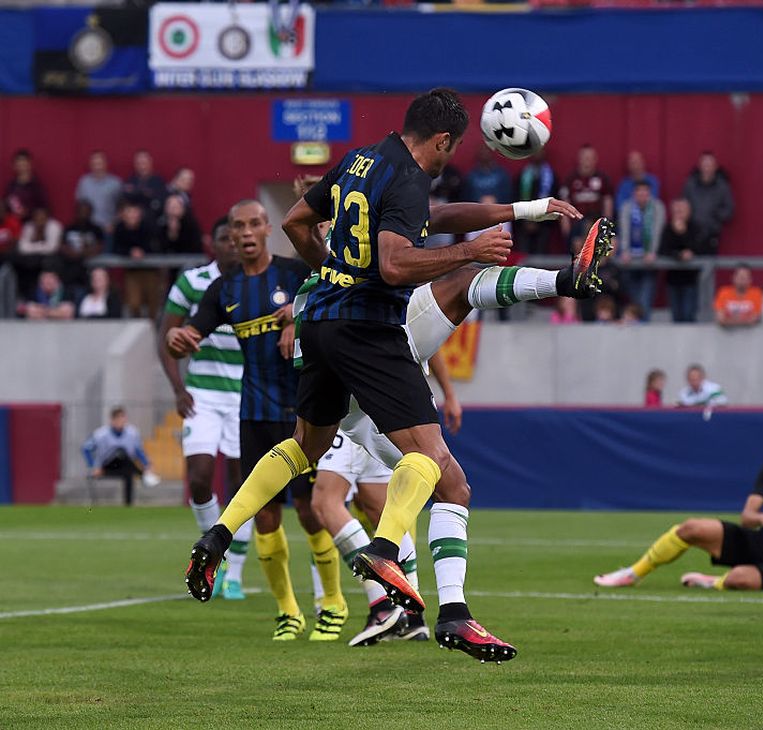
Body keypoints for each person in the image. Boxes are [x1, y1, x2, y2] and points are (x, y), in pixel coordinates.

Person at [185, 89, 612, 662]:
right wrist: (468, 249)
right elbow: (393, 262)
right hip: (369, 333)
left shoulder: (362, 161)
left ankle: (218, 534)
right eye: (452, 149)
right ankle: (387, 553)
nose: (448, 159)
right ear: (440, 140)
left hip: (323, 326)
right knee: (431, 458)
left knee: (307, 449)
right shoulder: (409, 177)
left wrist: (521, 211)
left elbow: (299, 220)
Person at [167, 200, 334, 641]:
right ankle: (288, 612)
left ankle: (331, 602)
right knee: (264, 515)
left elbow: (335, 294)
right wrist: (178, 338)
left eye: (253, 224)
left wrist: (298, 317)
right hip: (254, 412)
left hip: (303, 411)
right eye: (237, 225)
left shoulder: (295, 272)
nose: (245, 232)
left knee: (311, 510)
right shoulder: (225, 289)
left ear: (266, 229)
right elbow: (190, 333)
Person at [595, 421, 763, 592]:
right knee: (691, 528)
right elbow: (747, 517)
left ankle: (713, 582)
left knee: (739, 578)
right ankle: (634, 573)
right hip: (762, 543)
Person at [311, 352, 460, 647]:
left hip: (357, 402)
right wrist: (450, 394)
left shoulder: (349, 309)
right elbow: (431, 334)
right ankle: (412, 616)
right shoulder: (407, 308)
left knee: (324, 502)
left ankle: (382, 606)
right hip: (393, 405)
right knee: (381, 509)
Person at [159, 218, 251, 601]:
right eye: (223, 238)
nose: (231, 245)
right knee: (198, 479)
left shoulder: (257, 283)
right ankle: (214, 556)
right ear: (212, 243)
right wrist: (178, 388)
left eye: (236, 239)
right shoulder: (192, 282)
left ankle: (236, 573)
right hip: (202, 396)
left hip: (247, 395)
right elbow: (166, 335)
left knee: (242, 485)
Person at [81, 407, 160, 506]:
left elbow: (138, 451)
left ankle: (128, 505)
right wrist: (94, 467)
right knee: (120, 452)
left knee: (127, 465)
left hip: (125, 466)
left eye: (123, 418)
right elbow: (86, 448)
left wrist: (147, 464)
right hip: (106, 465)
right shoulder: (101, 434)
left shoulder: (132, 433)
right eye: (119, 418)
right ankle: (144, 476)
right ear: (113, 420)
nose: (122, 421)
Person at [617, 181, 665, 320]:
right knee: (633, 300)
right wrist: (624, 251)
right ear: (634, 194)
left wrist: (652, 252)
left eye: (645, 193)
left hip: (648, 261)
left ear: (650, 194)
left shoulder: (657, 207)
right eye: (639, 193)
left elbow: (657, 232)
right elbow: (624, 230)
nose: (642, 196)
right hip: (630, 260)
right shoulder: (627, 207)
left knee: (645, 299)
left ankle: (644, 328)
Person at [659, 198, 710, 323]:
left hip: (691, 279)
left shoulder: (696, 227)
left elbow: (700, 247)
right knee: (676, 316)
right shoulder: (668, 228)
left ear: (689, 211)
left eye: (681, 211)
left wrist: (683, 233)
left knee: (689, 315)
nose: (679, 214)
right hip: (673, 279)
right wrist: (678, 255)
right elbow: (663, 249)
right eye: (676, 211)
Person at [112, 201, 162, 320]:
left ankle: (153, 328)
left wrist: (143, 252)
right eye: (129, 212)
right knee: (134, 303)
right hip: (132, 271)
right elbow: (116, 248)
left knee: (153, 302)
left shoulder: (148, 226)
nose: (132, 215)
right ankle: (138, 329)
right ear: (123, 214)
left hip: (150, 269)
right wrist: (130, 252)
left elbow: (156, 246)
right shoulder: (120, 228)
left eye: (135, 212)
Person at [559, 144, 614, 246]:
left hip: (597, 222)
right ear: (579, 159)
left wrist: (607, 224)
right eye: (585, 158)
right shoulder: (570, 179)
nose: (587, 161)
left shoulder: (603, 178)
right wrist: (565, 227)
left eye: (590, 158)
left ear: (595, 160)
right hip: (577, 223)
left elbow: (608, 203)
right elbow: (564, 203)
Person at [682, 151, 734, 247]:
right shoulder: (690, 184)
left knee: (710, 261)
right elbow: (682, 204)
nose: (707, 168)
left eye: (710, 165)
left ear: (715, 167)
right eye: (704, 164)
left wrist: (714, 214)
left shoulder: (722, 187)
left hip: (712, 233)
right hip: (691, 232)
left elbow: (729, 210)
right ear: (699, 166)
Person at [60, 200, 104, 292]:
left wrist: (83, 253)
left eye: (86, 212)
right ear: (77, 212)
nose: (84, 214)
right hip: (70, 262)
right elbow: (62, 246)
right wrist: (74, 254)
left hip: (91, 262)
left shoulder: (96, 229)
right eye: (81, 211)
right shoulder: (69, 228)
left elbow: (100, 246)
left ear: (91, 213)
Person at [74, 151, 123, 234]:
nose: (97, 167)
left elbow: (122, 208)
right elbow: (80, 206)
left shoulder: (115, 183)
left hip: (108, 228)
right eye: (94, 164)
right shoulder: (84, 182)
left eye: (100, 163)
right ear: (90, 165)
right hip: (89, 229)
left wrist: (114, 224)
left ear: (105, 164)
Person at [5, 149, 47, 222]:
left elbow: (44, 208)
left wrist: (28, 212)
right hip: (14, 223)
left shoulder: (36, 186)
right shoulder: (10, 187)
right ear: (14, 166)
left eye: (24, 162)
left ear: (30, 164)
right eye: (18, 163)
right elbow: (5, 207)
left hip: (32, 223)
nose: (21, 166)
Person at [124, 150, 167, 219]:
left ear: (150, 163)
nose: (142, 166)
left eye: (144, 163)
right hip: (133, 220)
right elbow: (126, 199)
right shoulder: (130, 181)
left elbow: (160, 204)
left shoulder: (158, 181)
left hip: (153, 219)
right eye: (139, 163)